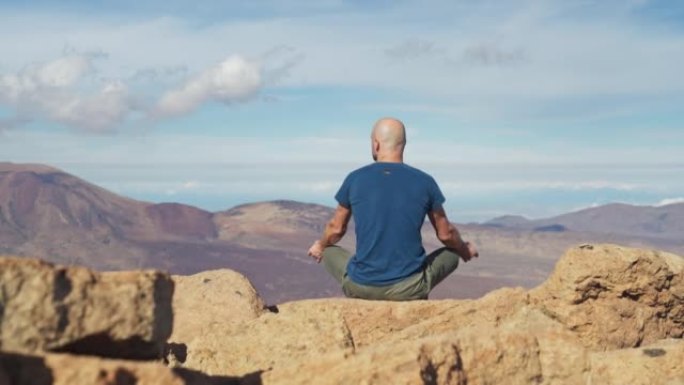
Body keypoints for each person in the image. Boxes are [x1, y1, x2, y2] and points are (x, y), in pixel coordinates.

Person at [307, 117, 479, 301]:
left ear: (376, 144)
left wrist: (321, 245)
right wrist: (464, 249)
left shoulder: (355, 179)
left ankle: (356, 282)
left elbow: (335, 228)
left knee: (329, 250)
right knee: (453, 251)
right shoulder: (424, 181)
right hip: (409, 289)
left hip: (360, 287)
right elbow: (446, 234)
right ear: (403, 145)